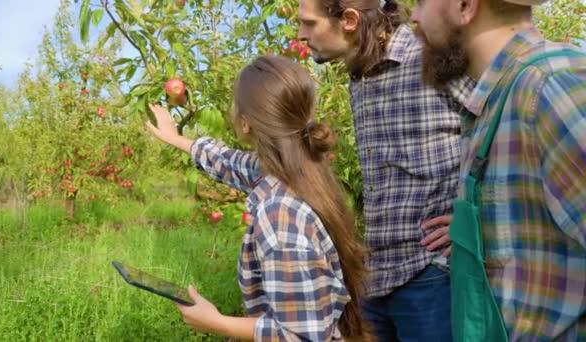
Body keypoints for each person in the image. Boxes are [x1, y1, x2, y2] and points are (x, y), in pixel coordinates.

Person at [145, 56, 372, 341]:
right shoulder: (304, 170)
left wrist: (217, 323)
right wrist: (178, 139)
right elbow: (231, 162)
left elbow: (301, 335)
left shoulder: (279, 214)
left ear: (246, 123)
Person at [297, 0, 474, 340]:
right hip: (376, 274)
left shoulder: (431, 56)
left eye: (309, 23)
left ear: (348, 20)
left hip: (431, 273)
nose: (301, 34)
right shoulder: (359, 73)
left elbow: (502, 128)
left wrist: (476, 217)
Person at [411, 0, 586, 339]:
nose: (414, 18)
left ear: (464, 6)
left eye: (419, 2)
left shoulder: (547, 86)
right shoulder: (493, 104)